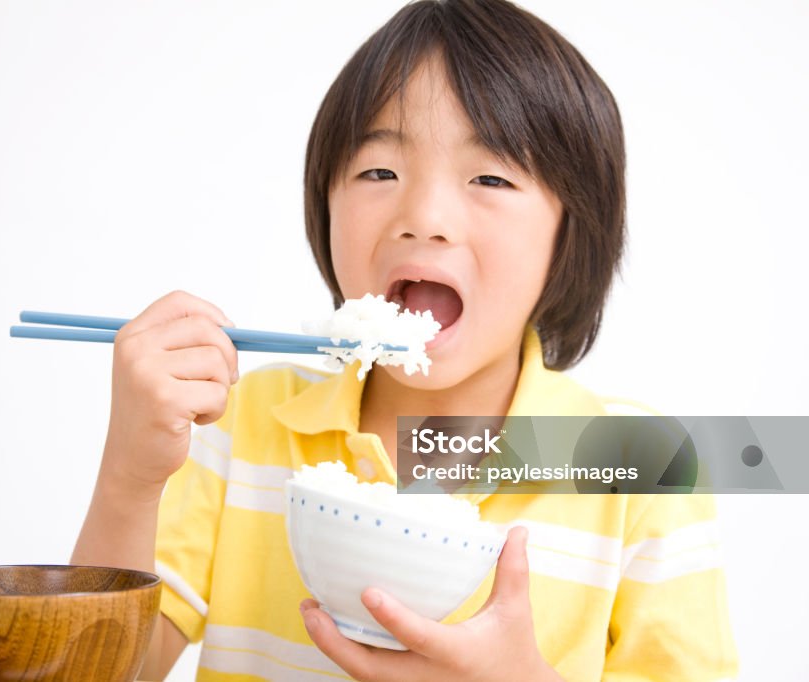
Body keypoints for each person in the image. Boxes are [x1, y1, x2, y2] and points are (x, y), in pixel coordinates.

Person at [71, 1, 739, 679]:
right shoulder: (238, 423)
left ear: (571, 232)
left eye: (490, 178)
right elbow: (96, 674)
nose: (425, 217)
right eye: (379, 172)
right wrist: (130, 477)